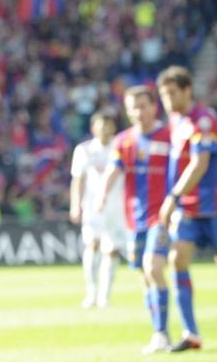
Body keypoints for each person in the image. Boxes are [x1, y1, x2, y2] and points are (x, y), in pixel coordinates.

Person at [157, 66, 217, 353]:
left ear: (187, 91)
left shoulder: (204, 120)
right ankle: (191, 333)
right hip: (189, 209)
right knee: (177, 259)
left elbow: (200, 165)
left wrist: (172, 196)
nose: (167, 99)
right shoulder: (175, 122)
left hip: (216, 206)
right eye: (163, 94)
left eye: (172, 93)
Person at [100, 86, 172, 353]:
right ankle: (158, 331)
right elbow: (113, 170)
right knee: (145, 276)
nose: (138, 112)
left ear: (154, 107)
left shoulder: (169, 136)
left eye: (143, 106)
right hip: (135, 219)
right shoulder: (123, 141)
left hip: (162, 215)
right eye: (133, 108)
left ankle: (162, 332)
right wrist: (101, 196)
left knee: (153, 267)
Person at [69, 108, 125, 309]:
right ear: (94, 128)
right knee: (92, 245)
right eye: (102, 126)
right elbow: (78, 179)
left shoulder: (120, 147)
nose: (105, 130)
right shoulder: (83, 150)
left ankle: (104, 296)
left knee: (112, 250)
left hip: (116, 207)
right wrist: (76, 204)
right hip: (92, 207)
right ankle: (91, 293)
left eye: (109, 126)